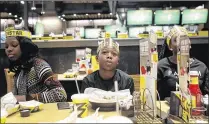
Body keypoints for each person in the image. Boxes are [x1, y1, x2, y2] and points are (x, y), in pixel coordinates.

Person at [4, 27, 67, 103]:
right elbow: (15, 98)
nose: (9, 49)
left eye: (14, 45)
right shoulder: (19, 67)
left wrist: (25, 98)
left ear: (25, 46)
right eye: (6, 46)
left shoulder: (39, 64)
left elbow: (60, 94)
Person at [157, 26, 209, 100]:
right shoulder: (161, 66)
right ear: (170, 46)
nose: (181, 43)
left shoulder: (201, 67)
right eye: (176, 40)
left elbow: (206, 96)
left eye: (184, 39)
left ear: (190, 44)